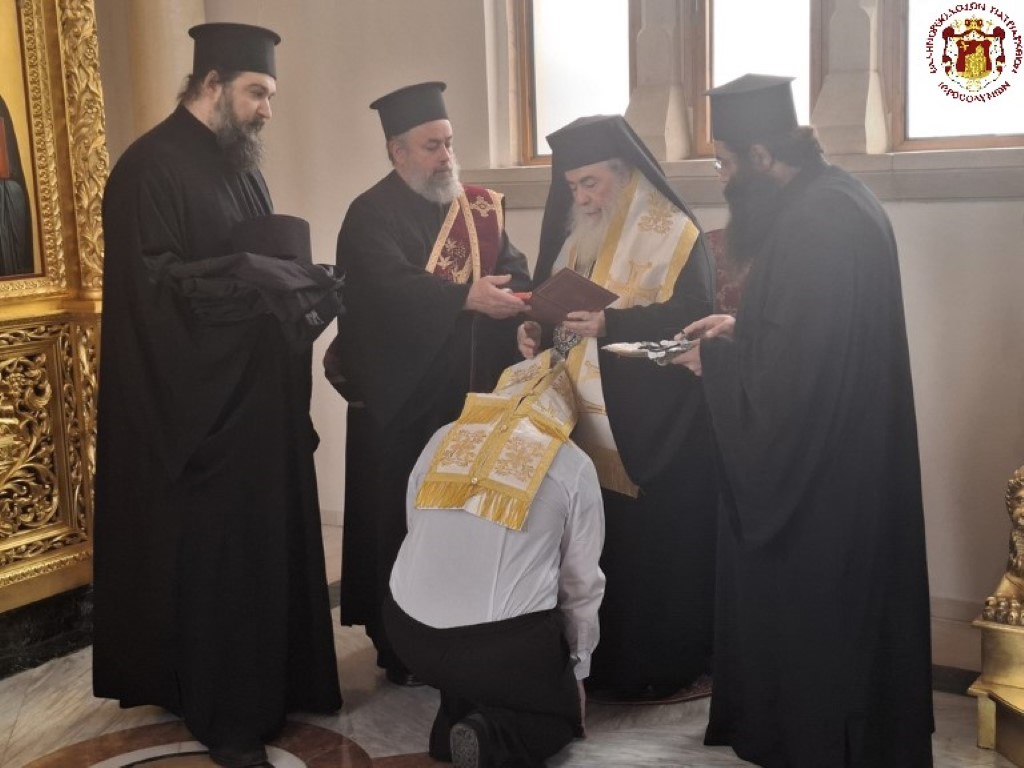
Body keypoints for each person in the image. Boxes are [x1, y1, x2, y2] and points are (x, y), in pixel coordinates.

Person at [93, 23, 342, 768]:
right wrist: (253, 280)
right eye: (257, 92)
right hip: (196, 411)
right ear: (212, 86)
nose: (267, 109)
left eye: (270, 94)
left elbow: (255, 264)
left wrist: (305, 288)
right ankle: (225, 703)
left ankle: (277, 676)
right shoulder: (147, 170)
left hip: (256, 399)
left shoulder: (240, 166)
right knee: (217, 558)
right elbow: (159, 291)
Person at [671, 74, 934, 766]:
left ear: (762, 157)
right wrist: (739, 327)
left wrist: (717, 364)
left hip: (827, 484)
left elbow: (797, 381)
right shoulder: (830, 200)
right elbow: (808, 335)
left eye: (727, 164)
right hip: (848, 462)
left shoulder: (820, 223)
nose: (724, 181)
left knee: (823, 635)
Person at [325, 81, 530, 685]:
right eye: (432, 145)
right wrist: (467, 296)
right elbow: (383, 293)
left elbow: (512, 267)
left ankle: (462, 629)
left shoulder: (476, 207)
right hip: (401, 403)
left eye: (449, 143)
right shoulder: (369, 215)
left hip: (468, 394)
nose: (446, 156)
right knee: (403, 520)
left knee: (462, 520)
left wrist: (515, 296)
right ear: (398, 152)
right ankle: (400, 645)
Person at [517, 115, 718, 700]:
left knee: (650, 556)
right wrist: (532, 328)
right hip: (579, 418)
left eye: (591, 184)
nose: (580, 197)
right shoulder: (574, 234)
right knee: (589, 547)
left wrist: (612, 323)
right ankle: (596, 661)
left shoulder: (676, 233)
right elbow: (547, 301)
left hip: (653, 427)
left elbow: (695, 317)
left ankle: (662, 666)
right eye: (572, 186)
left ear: (626, 176)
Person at [383, 352, 604, 768]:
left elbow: (415, 525)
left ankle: (453, 723)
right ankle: (491, 736)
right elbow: (581, 584)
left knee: (472, 660)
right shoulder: (572, 463)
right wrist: (576, 671)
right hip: (501, 649)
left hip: (406, 634)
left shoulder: (445, 434)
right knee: (556, 715)